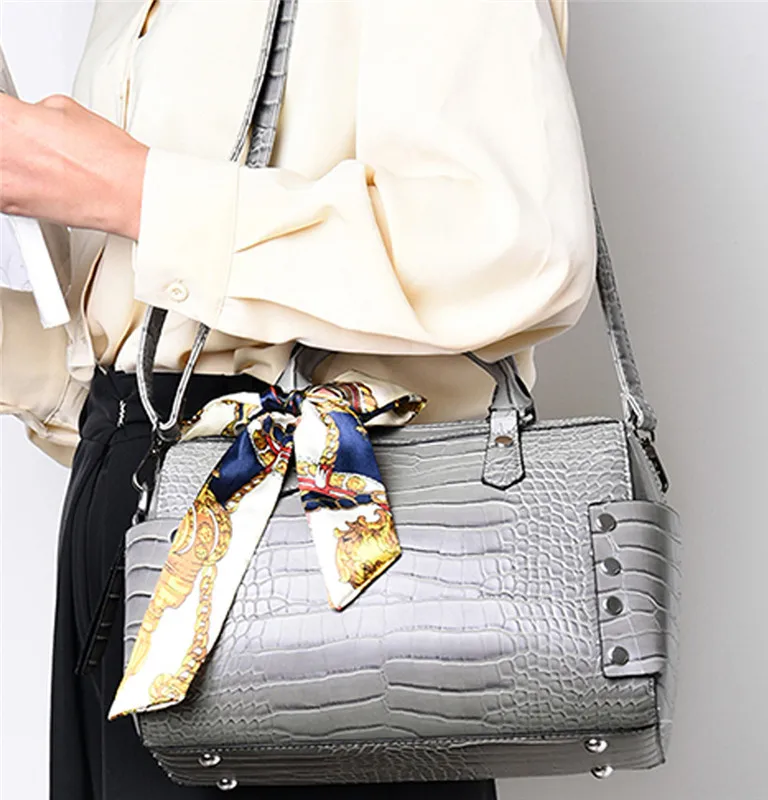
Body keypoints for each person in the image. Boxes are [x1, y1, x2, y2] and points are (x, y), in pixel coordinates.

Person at [0, 1, 595, 798]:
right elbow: (150, 366)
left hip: (311, 538)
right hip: (133, 532)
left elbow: (520, 246)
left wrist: (136, 191)